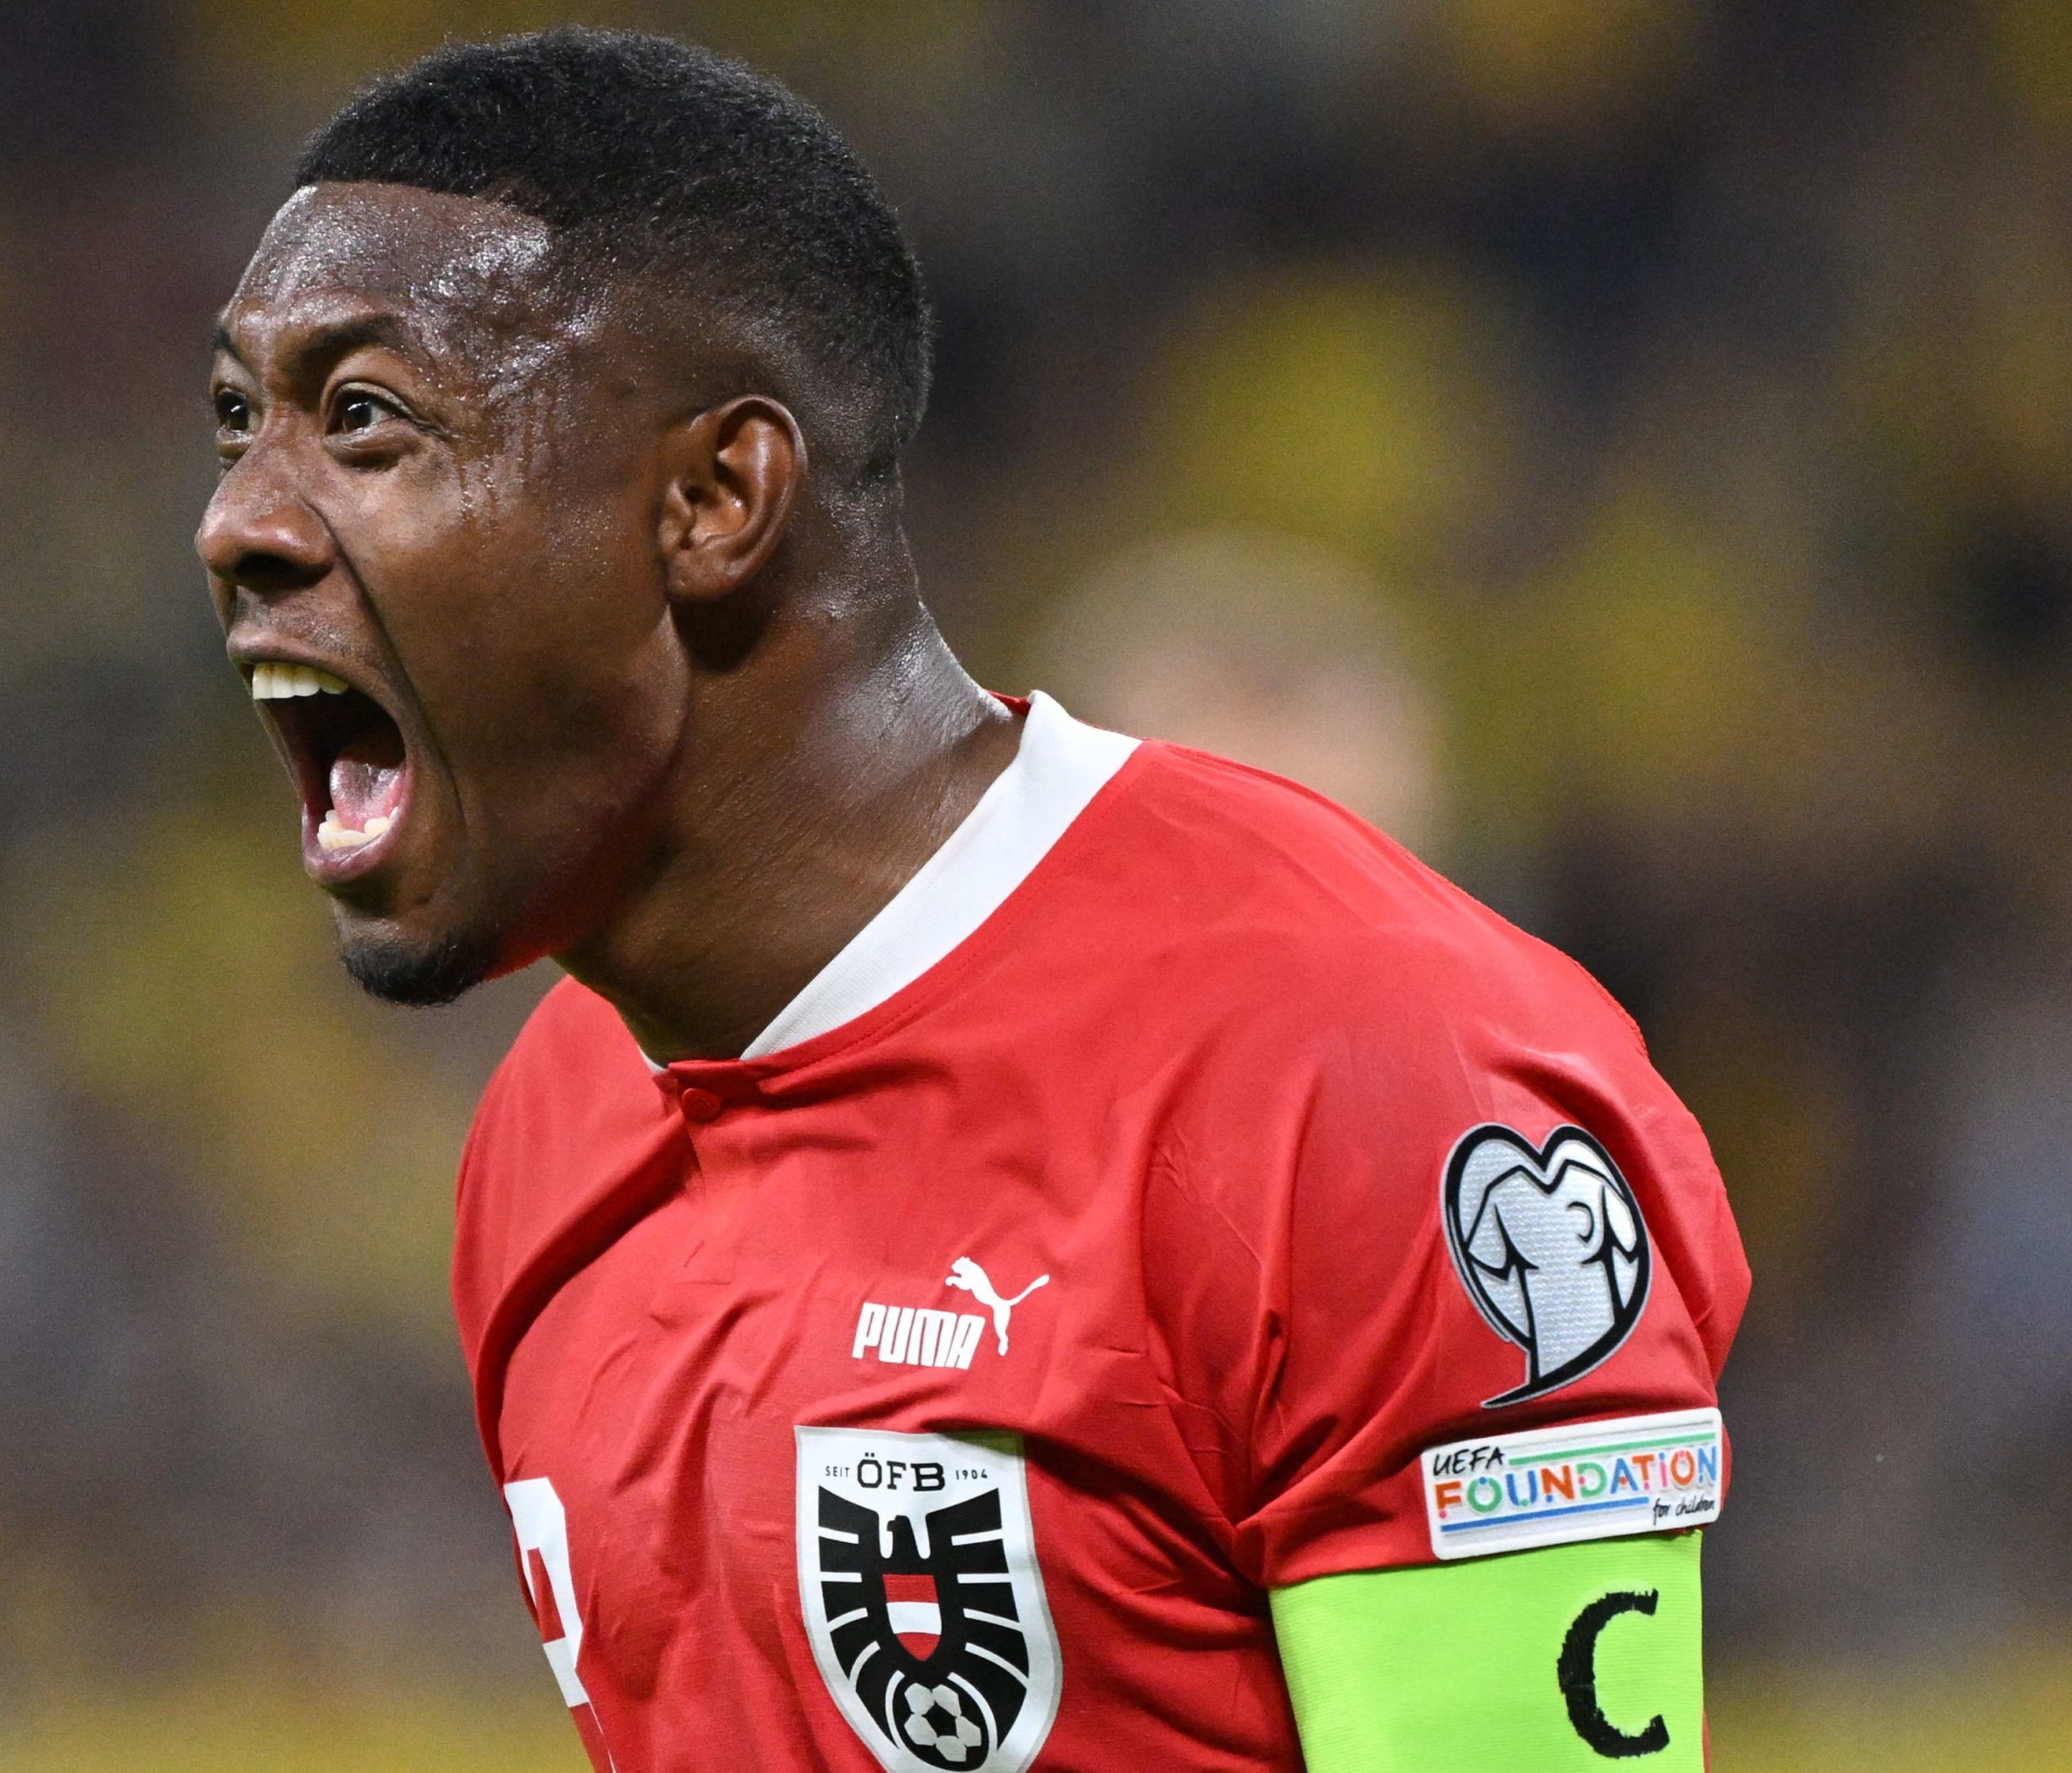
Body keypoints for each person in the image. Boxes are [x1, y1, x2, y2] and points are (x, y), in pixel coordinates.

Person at [195, 28, 1747, 1773]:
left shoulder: (1367, 1075)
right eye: (242, 421)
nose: (237, 520)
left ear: (714, 498)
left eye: (364, 420)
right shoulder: (550, 1133)